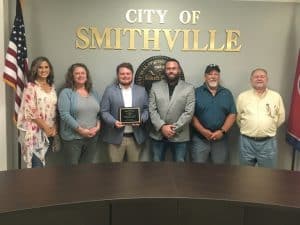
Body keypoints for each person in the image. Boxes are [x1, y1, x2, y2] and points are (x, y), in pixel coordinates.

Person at [236, 68, 285, 168]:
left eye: (262, 76)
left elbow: (281, 117)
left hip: (268, 142)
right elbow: (238, 118)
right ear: (251, 80)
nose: (259, 79)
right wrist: (249, 128)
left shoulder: (276, 96)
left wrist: (268, 127)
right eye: (256, 77)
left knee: (268, 176)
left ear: (267, 79)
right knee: (244, 174)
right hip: (246, 142)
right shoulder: (242, 96)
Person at [100, 62, 149, 162]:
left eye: (128, 73)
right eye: (122, 74)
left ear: (132, 74)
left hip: (135, 138)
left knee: (134, 170)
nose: (125, 76)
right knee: (115, 171)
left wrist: (141, 119)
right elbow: (104, 111)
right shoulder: (110, 90)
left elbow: (147, 110)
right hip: (115, 138)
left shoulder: (141, 90)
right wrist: (113, 122)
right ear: (118, 75)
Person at [149, 58, 195, 162]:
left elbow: (189, 112)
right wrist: (162, 127)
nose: (171, 71)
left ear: (179, 70)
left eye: (174, 68)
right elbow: (152, 110)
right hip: (158, 135)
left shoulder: (189, 88)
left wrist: (173, 129)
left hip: (180, 134)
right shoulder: (155, 86)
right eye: (168, 68)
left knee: (179, 167)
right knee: (156, 166)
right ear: (164, 71)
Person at [191, 64, 236, 164]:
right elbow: (191, 115)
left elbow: (232, 115)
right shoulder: (196, 92)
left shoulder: (227, 93)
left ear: (219, 77)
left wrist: (222, 131)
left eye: (216, 74)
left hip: (221, 139)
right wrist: (203, 131)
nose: (213, 76)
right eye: (210, 74)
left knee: (219, 171)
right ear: (205, 76)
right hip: (200, 139)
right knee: (197, 170)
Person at [17, 56, 57, 168]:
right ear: (35, 69)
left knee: (43, 168)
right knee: (37, 168)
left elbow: (54, 110)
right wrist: (46, 127)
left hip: (49, 133)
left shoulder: (52, 87)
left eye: (46, 67)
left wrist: (54, 128)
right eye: (40, 67)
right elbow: (31, 111)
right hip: (35, 133)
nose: (44, 70)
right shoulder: (31, 87)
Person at [58, 63, 101, 166]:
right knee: (73, 172)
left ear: (87, 76)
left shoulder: (93, 93)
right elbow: (64, 114)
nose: (80, 75)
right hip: (73, 139)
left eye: (83, 73)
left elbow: (98, 114)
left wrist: (98, 127)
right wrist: (81, 130)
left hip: (92, 138)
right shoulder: (66, 93)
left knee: (86, 170)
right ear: (72, 76)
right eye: (77, 73)